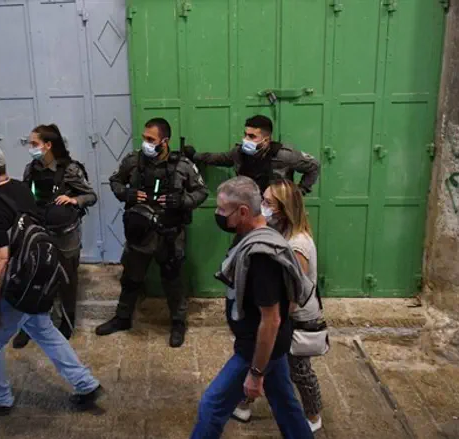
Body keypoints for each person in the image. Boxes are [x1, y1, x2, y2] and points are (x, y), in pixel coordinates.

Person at [0, 142, 101, 418]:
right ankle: (86, 384)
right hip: (32, 283)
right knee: (44, 331)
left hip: (10, 291)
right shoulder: (17, 188)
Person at [190, 176, 314, 439]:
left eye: (223, 210)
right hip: (272, 345)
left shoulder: (261, 256)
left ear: (243, 212)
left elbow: (272, 320)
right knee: (286, 405)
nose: (218, 214)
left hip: (258, 347)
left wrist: (256, 373)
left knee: (212, 406)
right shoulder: (257, 235)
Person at [95, 118, 208, 348]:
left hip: (169, 234)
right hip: (140, 232)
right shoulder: (133, 161)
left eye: (151, 139)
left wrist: (182, 200)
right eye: (144, 138)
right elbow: (115, 181)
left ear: (164, 141)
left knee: (173, 281)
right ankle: (123, 317)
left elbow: (201, 191)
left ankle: (178, 322)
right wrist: (127, 194)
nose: (145, 143)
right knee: (131, 277)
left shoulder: (182, 165)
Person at [231, 179, 324, 432]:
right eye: (262, 200)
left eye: (268, 203)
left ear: (284, 209)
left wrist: (268, 319)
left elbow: (292, 296)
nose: (262, 207)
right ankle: (244, 402)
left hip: (299, 319)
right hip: (285, 319)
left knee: (300, 371)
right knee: (265, 361)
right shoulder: (279, 233)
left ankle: (313, 415)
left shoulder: (297, 245)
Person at [12, 124, 97, 347]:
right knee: (33, 276)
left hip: (65, 235)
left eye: (34, 144)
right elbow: (24, 195)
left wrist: (74, 200)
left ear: (48, 145)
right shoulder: (31, 169)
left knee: (66, 279)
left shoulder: (69, 170)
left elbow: (90, 195)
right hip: (38, 232)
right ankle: (31, 326)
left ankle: (67, 323)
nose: (31, 148)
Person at [182, 115, 320, 194]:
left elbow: (314, 166)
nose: (246, 140)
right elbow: (220, 158)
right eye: (245, 135)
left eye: (252, 136)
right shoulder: (239, 153)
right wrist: (195, 156)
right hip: (250, 212)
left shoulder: (283, 156)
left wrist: (299, 192)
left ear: (266, 140)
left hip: (278, 214)